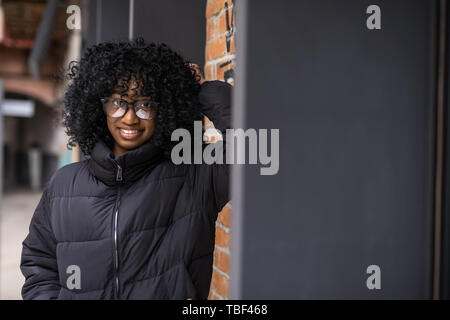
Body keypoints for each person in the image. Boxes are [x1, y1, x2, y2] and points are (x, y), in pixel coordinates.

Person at [20, 38, 232, 300]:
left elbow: (256, 147)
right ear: (99, 107)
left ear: (164, 107)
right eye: (118, 103)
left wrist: (196, 89)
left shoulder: (197, 175)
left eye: (145, 105)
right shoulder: (65, 183)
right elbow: (39, 263)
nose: (130, 118)